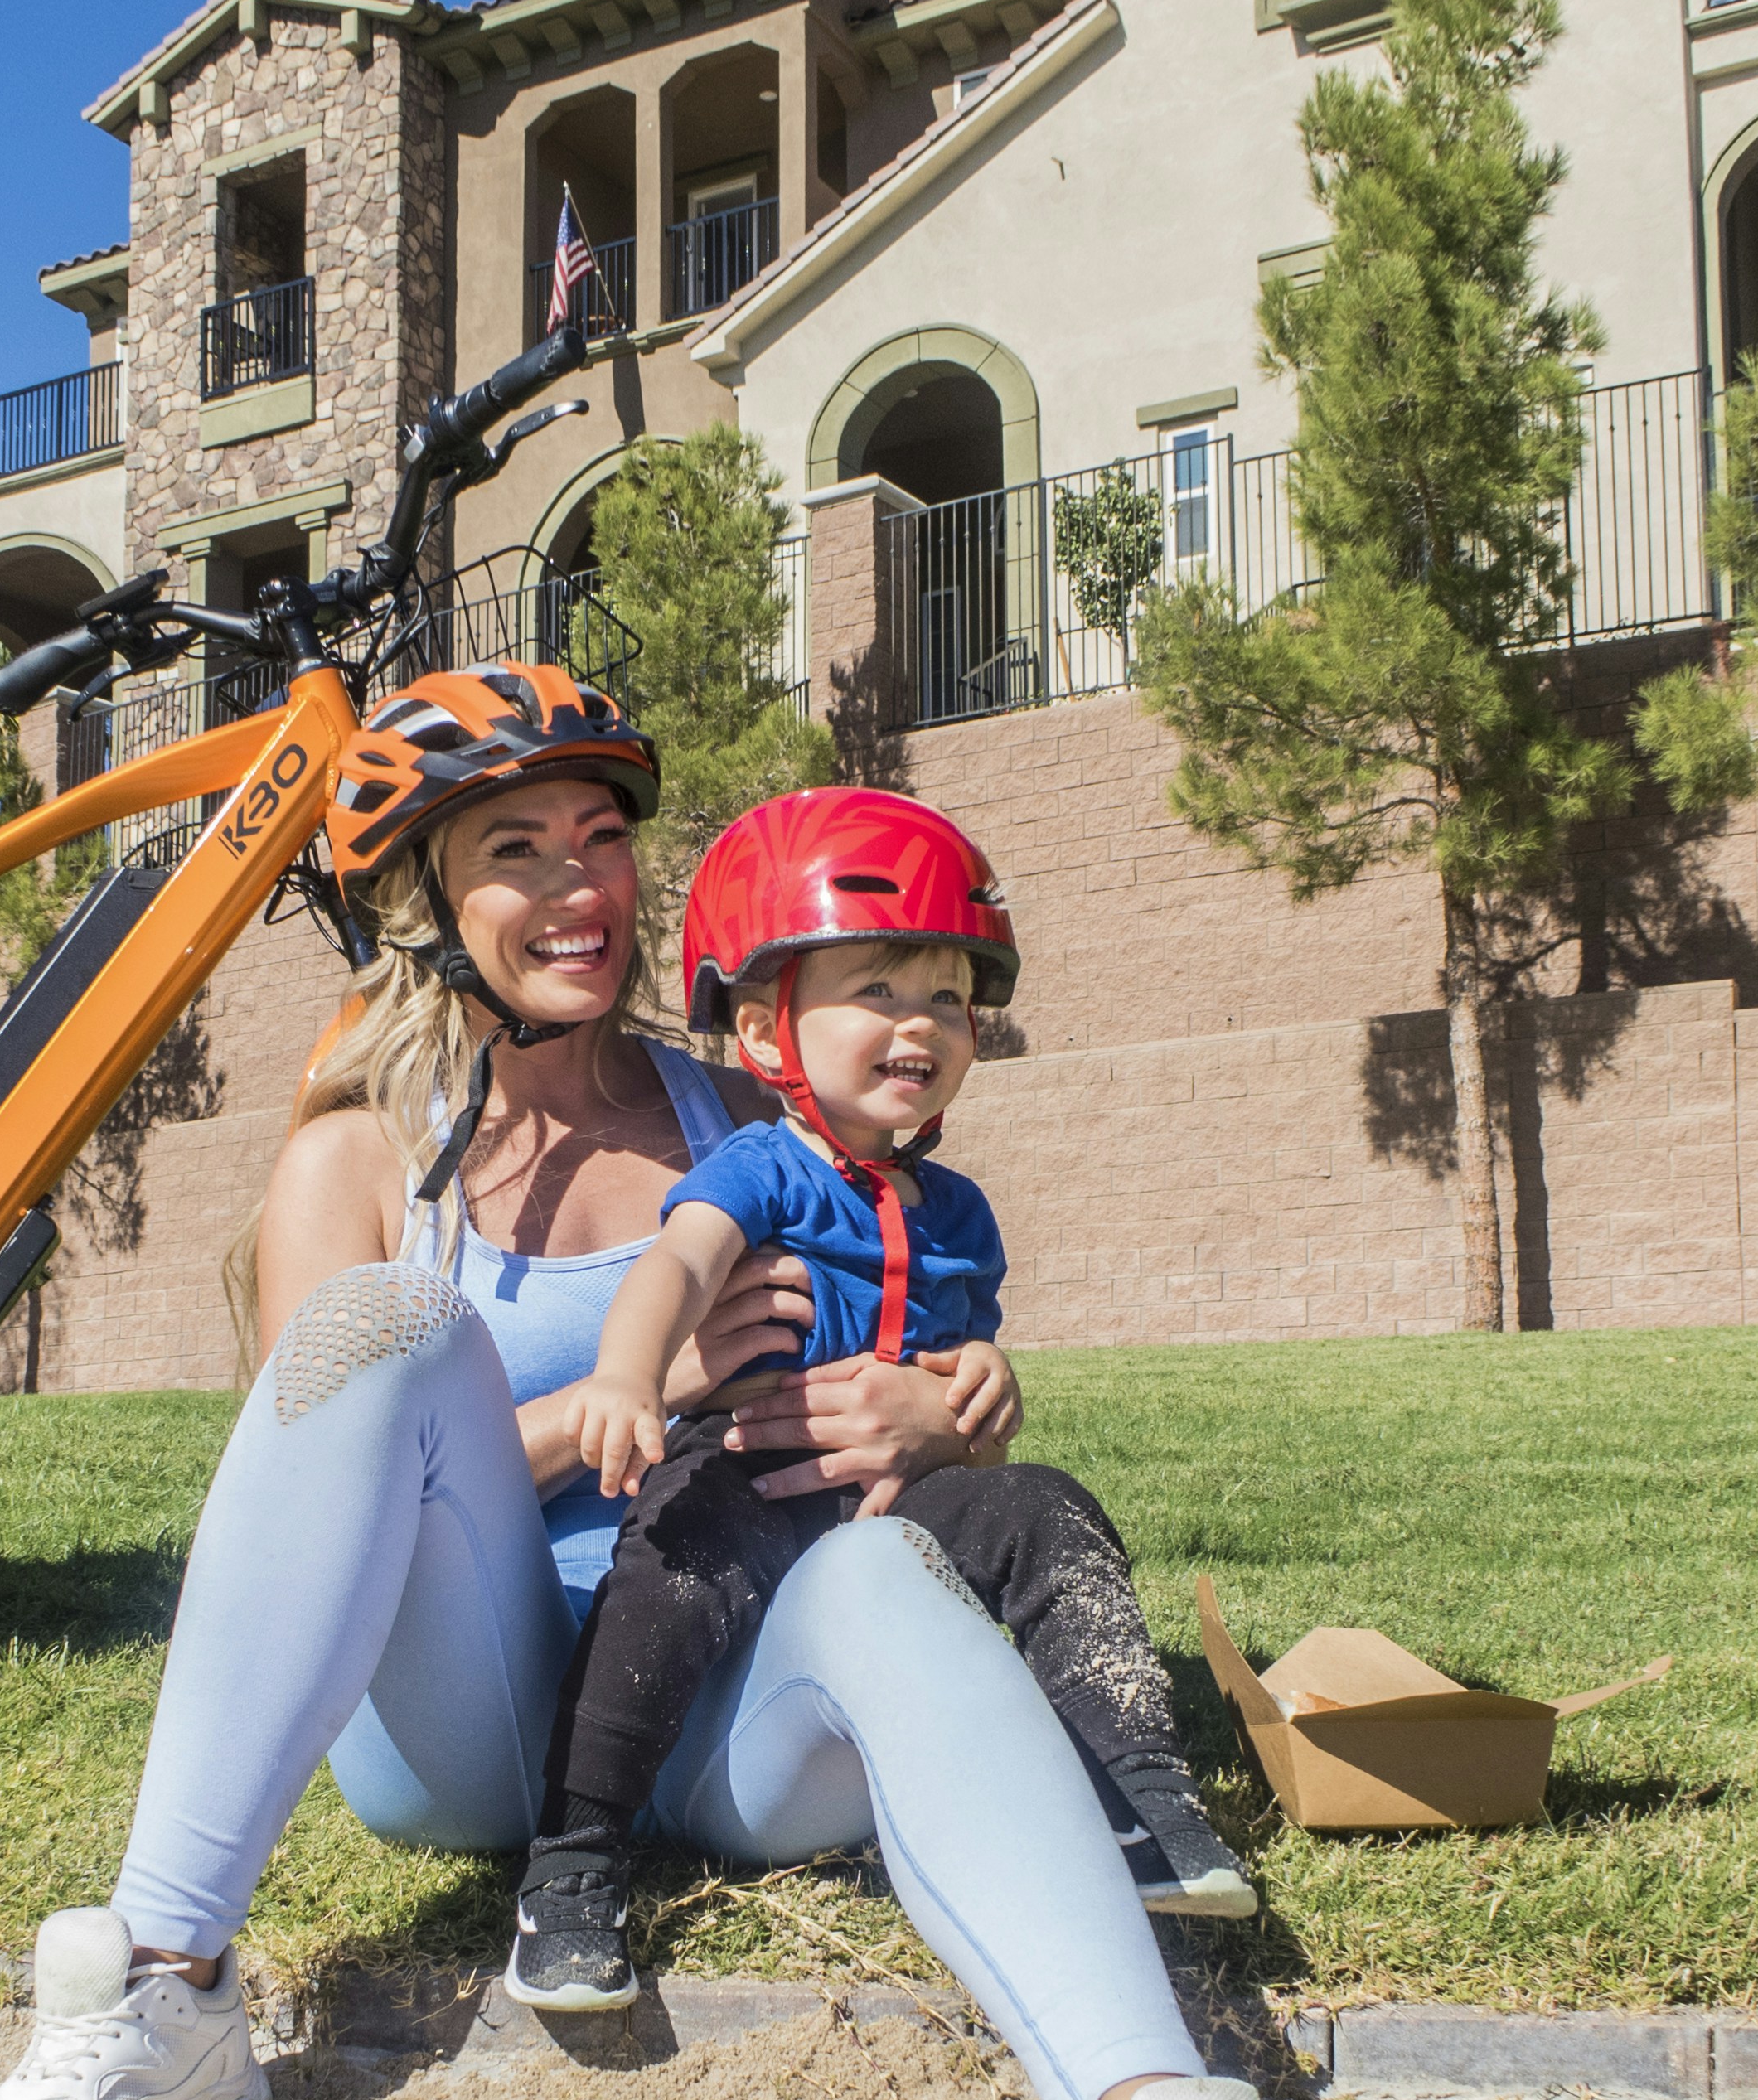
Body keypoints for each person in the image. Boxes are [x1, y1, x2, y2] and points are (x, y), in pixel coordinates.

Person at [0, 665, 1407, 2100]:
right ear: (424, 903)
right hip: (469, 1715)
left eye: (604, 838)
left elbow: (904, 1347)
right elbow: (316, 1483)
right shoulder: (359, 1158)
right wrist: (659, 1390)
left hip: (724, 1699)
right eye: (516, 851)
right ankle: (159, 1998)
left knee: (882, 1583)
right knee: (377, 1339)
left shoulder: (750, 1106)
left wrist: (930, 1415)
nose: (579, 886)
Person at [511, 788, 1254, 2020]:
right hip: (751, 1467)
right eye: (879, 991)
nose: (923, 1023)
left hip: (904, 1494)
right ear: (764, 1031)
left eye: (950, 1000)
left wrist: (984, 1389)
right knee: (667, 1573)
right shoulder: (762, 1164)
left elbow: (960, 1365)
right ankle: (575, 1866)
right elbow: (676, 1269)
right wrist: (627, 1376)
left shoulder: (960, 1210)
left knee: (1050, 1511)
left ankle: (1146, 1801)